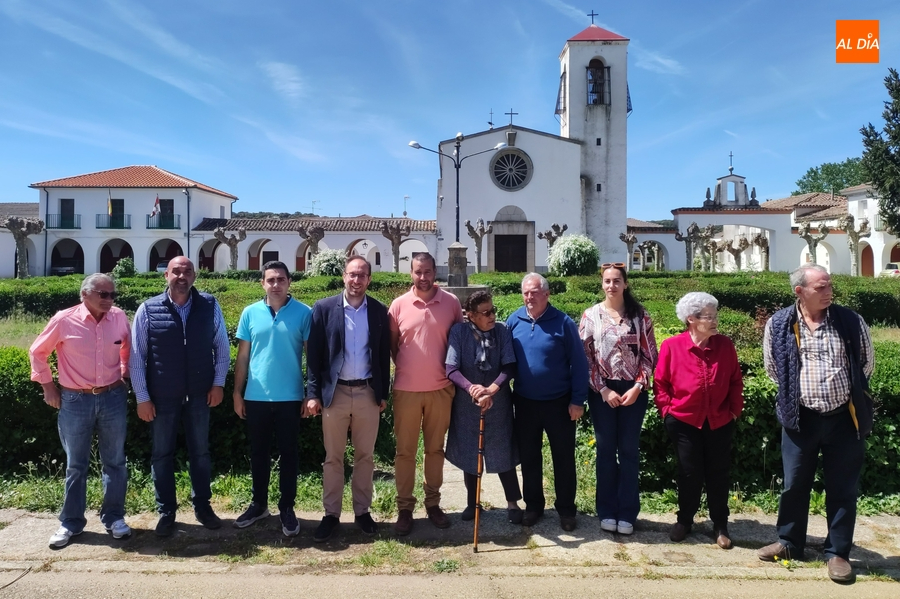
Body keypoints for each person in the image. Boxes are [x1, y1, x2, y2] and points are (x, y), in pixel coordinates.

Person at [758, 264, 874, 583]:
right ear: (800, 292)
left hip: (844, 418)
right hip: (800, 418)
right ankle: (789, 543)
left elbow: (866, 363)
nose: (828, 291)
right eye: (820, 287)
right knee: (794, 485)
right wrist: (798, 395)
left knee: (842, 488)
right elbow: (773, 368)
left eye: (829, 285)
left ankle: (837, 553)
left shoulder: (849, 321)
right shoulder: (780, 323)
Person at [129, 256, 230, 537]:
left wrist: (218, 383)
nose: (181, 276)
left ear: (195, 276)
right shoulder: (148, 309)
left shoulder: (209, 305)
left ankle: (203, 507)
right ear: (166, 276)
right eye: (176, 271)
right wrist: (142, 397)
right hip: (162, 398)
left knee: (201, 453)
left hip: (200, 395)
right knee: (162, 455)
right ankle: (166, 512)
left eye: (187, 271)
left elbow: (222, 348)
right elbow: (137, 358)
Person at [29, 273, 132, 548]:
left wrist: (124, 374)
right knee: (76, 465)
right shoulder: (64, 319)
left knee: (115, 462)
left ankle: (114, 518)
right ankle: (71, 523)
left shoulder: (119, 317)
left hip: (112, 397)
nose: (109, 300)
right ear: (84, 294)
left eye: (112, 295)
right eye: (103, 294)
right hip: (75, 400)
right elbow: (37, 352)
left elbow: (127, 349)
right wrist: (48, 387)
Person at [305, 256, 391, 542]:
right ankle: (331, 515)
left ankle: (362, 512)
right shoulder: (324, 308)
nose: (357, 281)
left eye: (362, 275)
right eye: (352, 275)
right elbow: (314, 357)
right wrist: (313, 394)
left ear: (369, 279)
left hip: (367, 392)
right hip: (335, 393)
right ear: (344, 276)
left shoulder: (379, 310)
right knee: (333, 458)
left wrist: (382, 394)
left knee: (365, 457)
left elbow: (382, 355)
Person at [654, 292, 743, 549]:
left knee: (718, 473)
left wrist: (734, 410)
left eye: (715, 315)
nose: (715, 321)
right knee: (689, 472)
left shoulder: (725, 345)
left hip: (720, 420)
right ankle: (684, 520)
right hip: (683, 421)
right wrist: (667, 411)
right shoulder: (672, 346)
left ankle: (720, 525)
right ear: (691, 319)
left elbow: (736, 381)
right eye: (709, 316)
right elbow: (661, 383)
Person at [232, 261, 311, 537]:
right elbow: (242, 357)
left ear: (290, 282)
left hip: (290, 398)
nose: (275, 284)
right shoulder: (250, 313)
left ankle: (287, 508)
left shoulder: (305, 313)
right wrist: (237, 393)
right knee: (258, 454)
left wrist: (309, 394)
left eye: (281, 279)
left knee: (289, 454)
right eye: (270, 280)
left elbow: (311, 358)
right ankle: (259, 505)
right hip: (256, 397)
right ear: (262, 283)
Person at [579, 263, 657, 536]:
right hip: (603, 392)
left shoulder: (640, 317)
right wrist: (602, 389)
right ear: (601, 284)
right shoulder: (591, 316)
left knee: (628, 451)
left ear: (625, 284)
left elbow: (649, 357)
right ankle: (607, 511)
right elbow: (584, 358)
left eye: (616, 281)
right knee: (605, 451)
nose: (611, 286)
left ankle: (627, 513)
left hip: (633, 392)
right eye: (607, 281)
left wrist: (637, 386)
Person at [507, 273, 588, 531]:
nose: (529, 297)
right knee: (530, 457)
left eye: (534, 292)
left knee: (563, 457)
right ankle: (534, 507)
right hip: (525, 402)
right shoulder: (514, 320)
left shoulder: (563, 322)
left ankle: (566, 510)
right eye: (526, 293)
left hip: (559, 403)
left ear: (546, 294)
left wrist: (578, 400)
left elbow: (580, 363)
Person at [389, 252, 463, 535]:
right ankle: (405, 508)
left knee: (435, 451)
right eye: (418, 272)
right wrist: (410, 368)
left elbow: (458, 342)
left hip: (441, 390)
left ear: (435, 272)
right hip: (406, 391)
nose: (423, 277)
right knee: (405, 452)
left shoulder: (451, 303)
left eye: (428, 271)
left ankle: (433, 503)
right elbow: (393, 346)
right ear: (411, 273)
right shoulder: (398, 306)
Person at [445, 290, 522, 524]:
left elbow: (509, 366)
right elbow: (451, 369)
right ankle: (472, 502)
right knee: (470, 451)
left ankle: (512, 502)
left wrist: (491, 390)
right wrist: (473, 389)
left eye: (493, 310)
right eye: (485, 312)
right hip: (468, 403)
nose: (491, 316)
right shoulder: (459, 332)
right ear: (470, 315)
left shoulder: (502, 331)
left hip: (498, 401)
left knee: (503, 450)